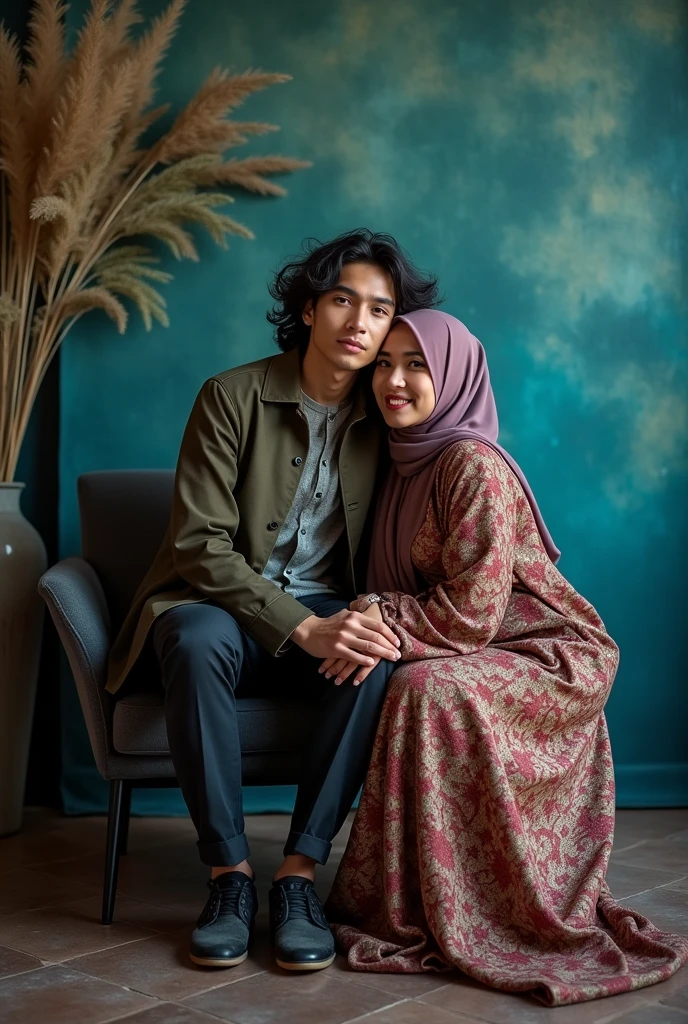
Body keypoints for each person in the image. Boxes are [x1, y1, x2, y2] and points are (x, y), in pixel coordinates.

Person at [324, 309, 688, 1005]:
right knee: (401, 673)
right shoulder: (397, 460)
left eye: (416, 366)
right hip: (479, 639)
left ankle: (472, 908)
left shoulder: (471, 464)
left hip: (549, 652)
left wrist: (379, 612)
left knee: (424, 690)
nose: (393, 381)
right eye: (384, 363)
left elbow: (473, 612)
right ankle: (412, 900)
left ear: (455, 375)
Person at [105, 230, 439, 971]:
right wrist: (303, 627)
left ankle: (297, 877)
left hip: (325, 608)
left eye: (380, 310)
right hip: (212, 604)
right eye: (343, 300)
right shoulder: (230, 396)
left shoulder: (388, 420)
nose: (359, 321)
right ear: (309, 308)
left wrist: (354, 621)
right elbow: (198, 545)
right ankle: (228, 875)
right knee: (193, 638)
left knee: (373, 656)